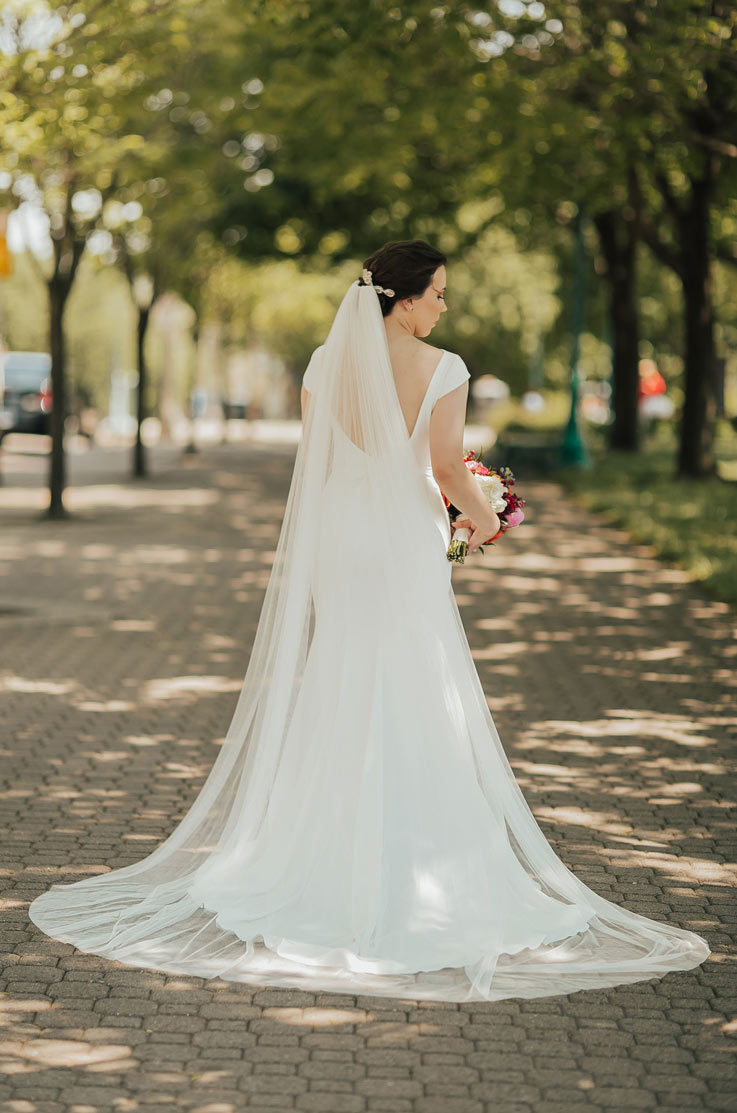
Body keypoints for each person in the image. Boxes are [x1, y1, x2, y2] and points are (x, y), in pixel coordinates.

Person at [28, 240, 710, 1003]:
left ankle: (316, 856)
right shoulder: (442, 368)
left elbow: (315, 467)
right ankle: (420, 866)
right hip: (402, 541)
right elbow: (448, 468)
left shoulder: (326, 363)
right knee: (415, 680)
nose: (445, 306)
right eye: (440, 294)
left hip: (343, 538)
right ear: (407, 298)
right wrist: (488, 520)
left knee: (344, 673)